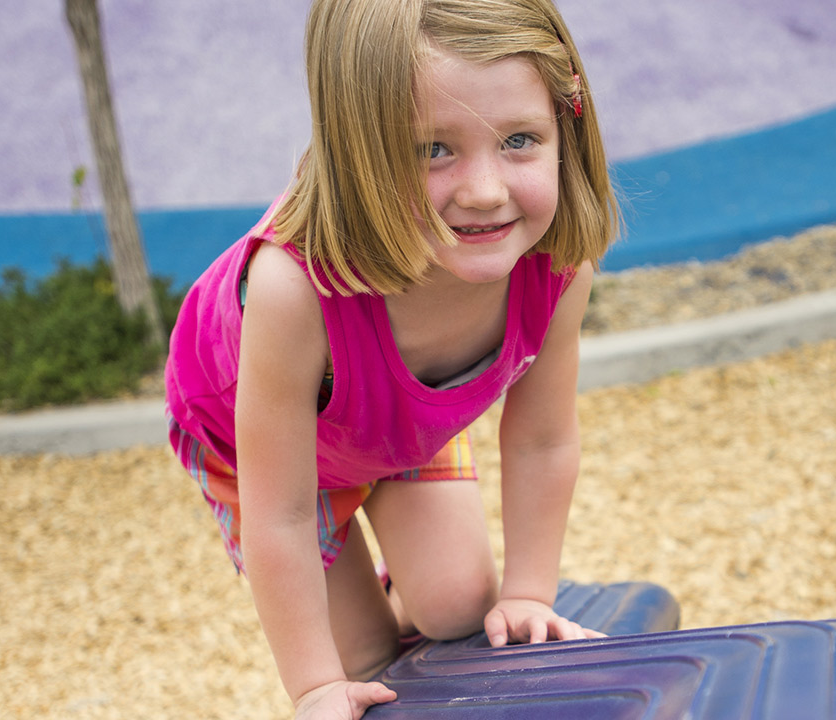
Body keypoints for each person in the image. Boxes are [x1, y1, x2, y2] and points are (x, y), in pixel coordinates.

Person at [164, 0, 618, 716]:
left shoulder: (558, 265)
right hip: (269, 447)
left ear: (568, 124)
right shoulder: (295, 290)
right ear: (356, 152)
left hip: (393, 419)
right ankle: (362, 606)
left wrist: (528, 593)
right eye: (430, 150)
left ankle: (407, 582)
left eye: (521, 140)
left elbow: (541, 437)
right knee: (368, 660)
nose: (485, 192)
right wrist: (314, 687)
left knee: (459, 605)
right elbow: (277, 512)